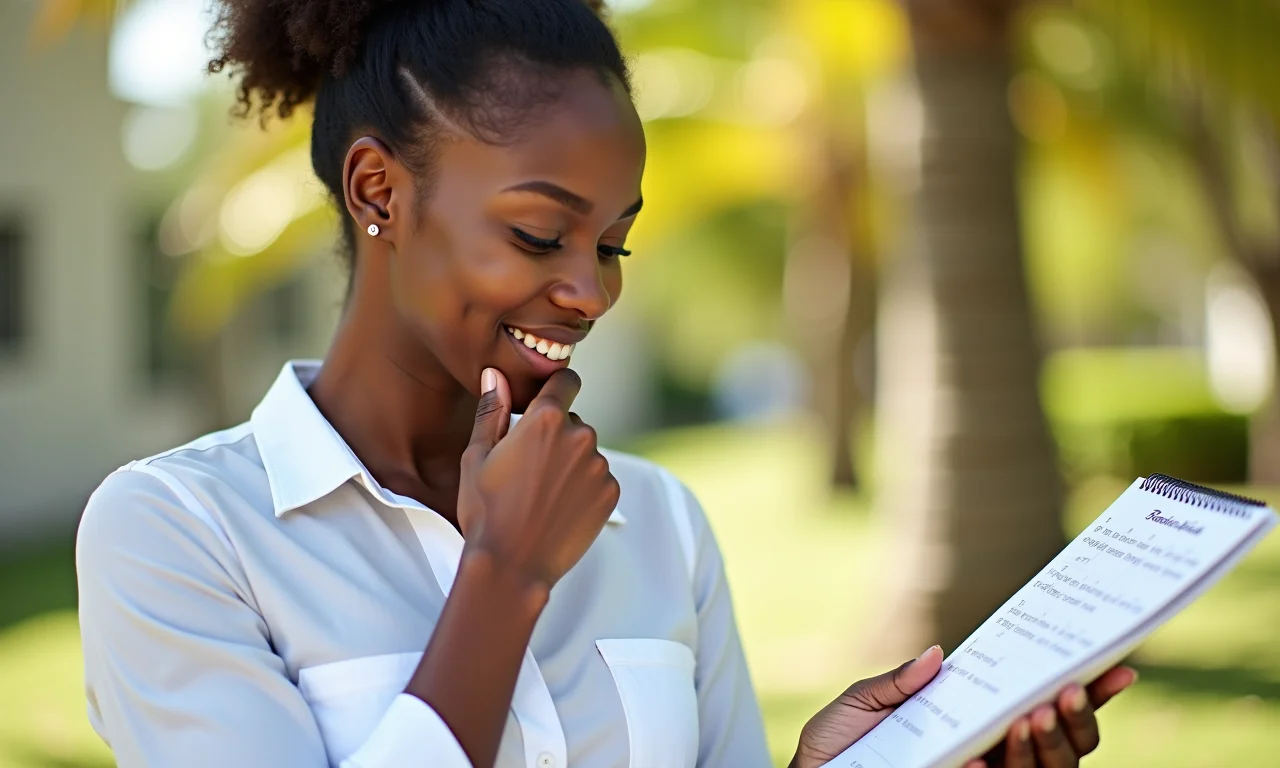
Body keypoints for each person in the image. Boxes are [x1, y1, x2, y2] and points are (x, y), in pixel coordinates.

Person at [75, 1, 1135, 766]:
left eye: (614, 244)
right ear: (378, 191)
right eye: (539, 233)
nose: (588, 292)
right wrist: (505, 573)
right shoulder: (179, 535)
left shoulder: (657, 520)